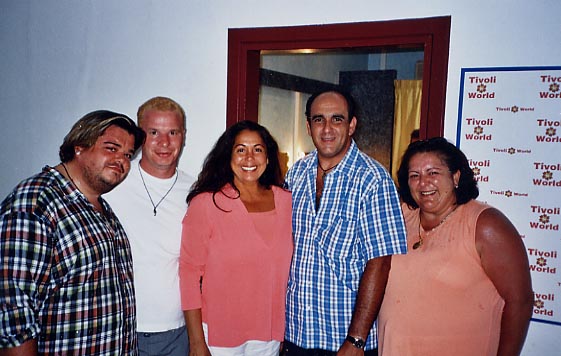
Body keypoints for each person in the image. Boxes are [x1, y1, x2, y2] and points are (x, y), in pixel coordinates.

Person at [0, 110, 145, 355]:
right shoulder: (35, 201)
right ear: (79, 146)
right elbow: (14, 310)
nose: (121, 160)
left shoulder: (100, 207)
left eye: (128, 155)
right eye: (111, 148)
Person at [378, 137, 533, 356]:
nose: (423, 183)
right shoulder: (400, 216)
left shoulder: (485, 225)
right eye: (415, 176)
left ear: (456, 176)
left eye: (433, 173)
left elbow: (520, 300)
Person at [283, 89, 407, 355]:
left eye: (337, 119)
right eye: (319, 119)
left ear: (352, 125)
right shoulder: (296, 173)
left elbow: (380, 262)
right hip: (296, 333)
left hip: (343, 339)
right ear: (308, 126)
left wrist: (356, 339)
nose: (327, 128)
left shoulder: (373, 180)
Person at [179, 120, 293, 356]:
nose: (249, 158)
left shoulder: (287, 202)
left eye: (257, 149)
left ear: (268, 157)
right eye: (240, 150)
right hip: (220, 335)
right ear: (228, 156)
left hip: (268, 334)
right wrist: (197, 342)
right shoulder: (207, 204)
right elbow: (189, 274)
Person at [105, 97, 194, 356]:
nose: (164, 143)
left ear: (183, 136)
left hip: (177, 333)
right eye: (154, 132)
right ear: (139, 135)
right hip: (120, 329)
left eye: (172, 132)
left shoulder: (196, 191)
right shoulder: (113, 181)